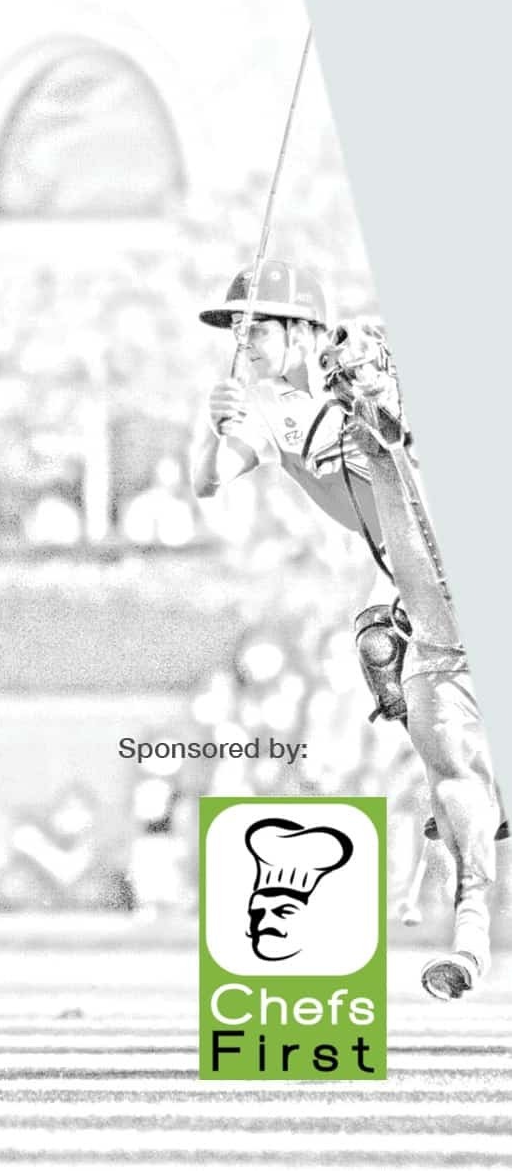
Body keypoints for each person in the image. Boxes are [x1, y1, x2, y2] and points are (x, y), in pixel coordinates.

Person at [193, 259, 502, 999]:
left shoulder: (370, 349)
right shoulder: (265, 407)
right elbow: (209, 479)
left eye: (257, 329)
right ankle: (471, 937)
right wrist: (214, 429)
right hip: (417, 587)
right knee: (390, 663)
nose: (243, 343)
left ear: (303, 329)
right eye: (237, 332)